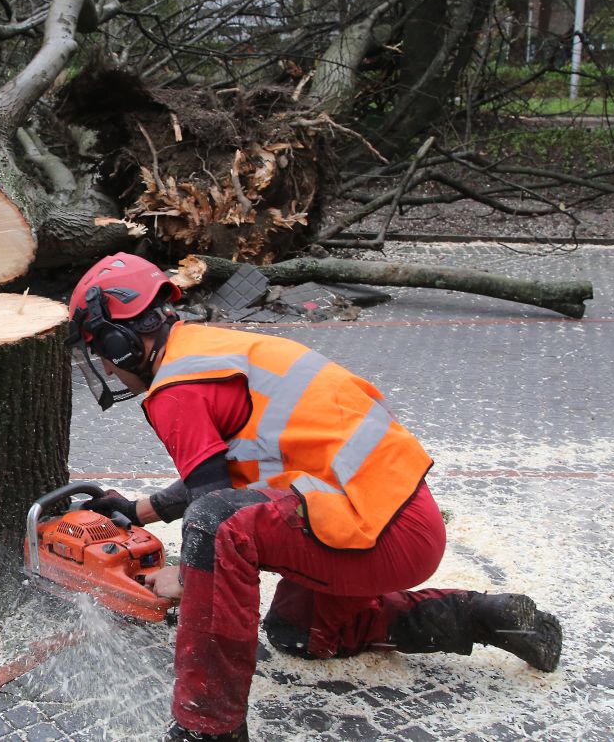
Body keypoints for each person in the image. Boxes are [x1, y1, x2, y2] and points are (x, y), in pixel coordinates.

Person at [65, 253, 563, 742]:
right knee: (298, 632)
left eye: (103, 352)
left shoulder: (176, 389)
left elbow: (213, 511)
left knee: (215, 528)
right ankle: (482, 617)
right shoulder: (207, 350)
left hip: (372, 534)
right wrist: (137, 512)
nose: (108, 367)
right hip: (399, 516)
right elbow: (221, 470)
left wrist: (187, 578)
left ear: (121, 340)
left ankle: (207, 727)